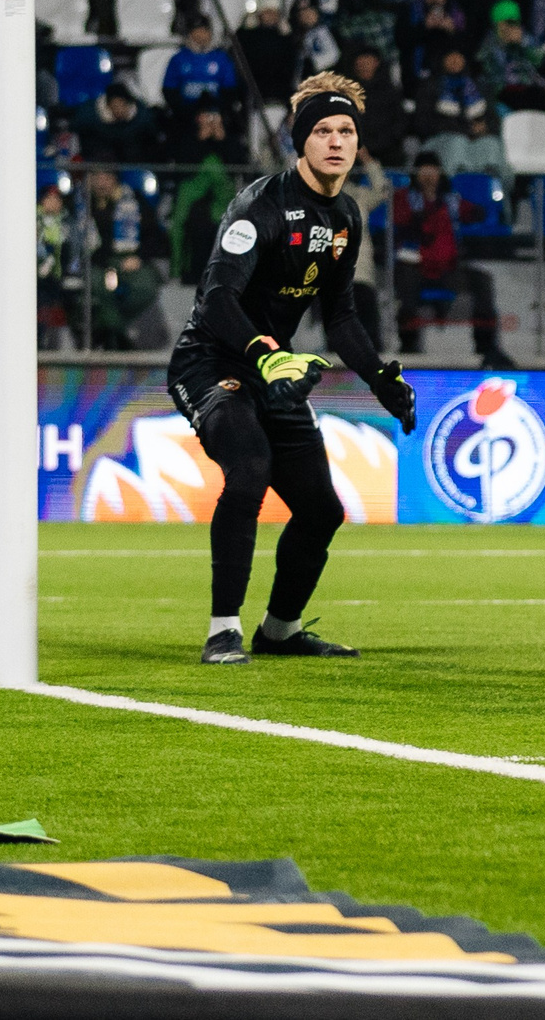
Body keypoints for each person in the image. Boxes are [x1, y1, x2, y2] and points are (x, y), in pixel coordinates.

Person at [165, 74, 417, 665]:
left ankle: (278, 631)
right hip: (211, 363)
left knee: (322, 510)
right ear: (302, 142)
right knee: (248, 470)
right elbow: (217, 300)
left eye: (346, 132)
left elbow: (341, 319)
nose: (336, 141)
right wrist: (265, 352)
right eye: (323, 131)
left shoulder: (347, 218)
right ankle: (222, 629)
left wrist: (380, 380)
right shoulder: (260, 206)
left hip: (272, 371)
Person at [391, 154, 515, 367]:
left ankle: (485, 346)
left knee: (482, 281)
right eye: (424, 169)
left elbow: (476, 213)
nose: (429, 174)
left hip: (449, 267)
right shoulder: (404, 198)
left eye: (433, 169)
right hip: (416, 266)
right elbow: (400, 219)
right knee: (405, 285)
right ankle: (409, 343)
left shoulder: (451, 199)